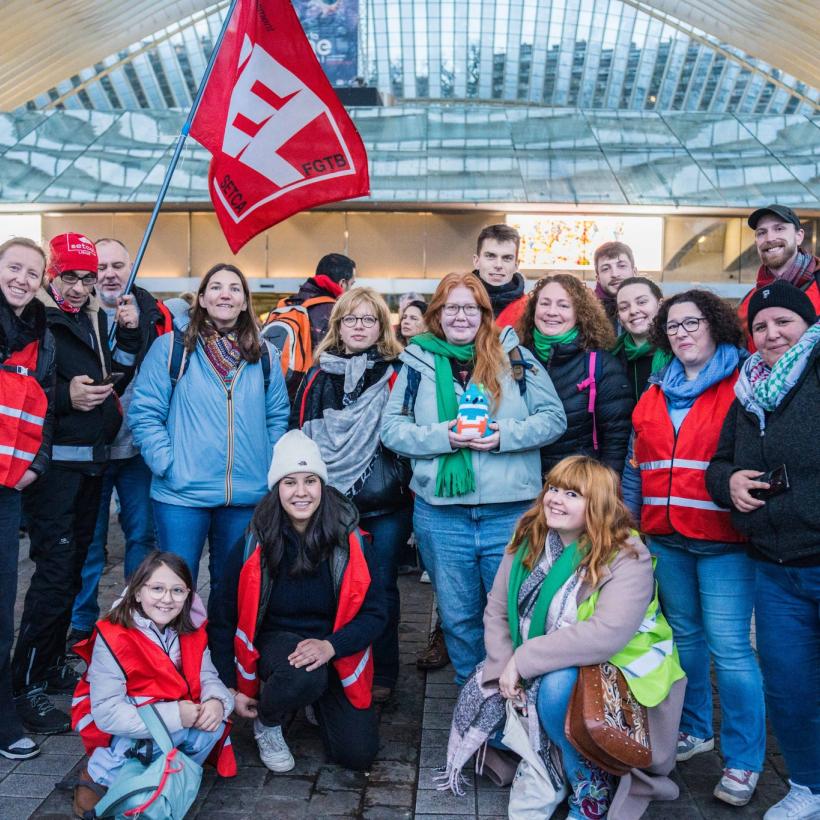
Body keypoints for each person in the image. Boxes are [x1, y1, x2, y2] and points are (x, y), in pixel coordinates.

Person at [443, 456, 685, 818]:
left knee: (557, 689)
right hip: (551, 660)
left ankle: (588, 786)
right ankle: (554, 759)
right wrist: (504, 664)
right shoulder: (529, 537)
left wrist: (523, 661)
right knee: (491, 700)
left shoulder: (626, 554)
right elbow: (496, 610)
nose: (555, 499)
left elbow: (606, 635)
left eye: (572, 494)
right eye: (553, 489)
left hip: (621, 673)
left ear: (598, 504)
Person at [381, 271, 566, 683]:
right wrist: (443, 437)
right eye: (451, 308)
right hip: (442, 517)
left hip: (509, 513)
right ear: (437, 314)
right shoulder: (417, 361)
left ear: (484, 313)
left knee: (513, 614)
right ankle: (473, 696)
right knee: (459, 619)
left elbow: (554, 418)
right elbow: (391, 430)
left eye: (469, 307)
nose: (460, 316)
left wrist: (503, 436)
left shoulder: (514, 355)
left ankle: (514, 697)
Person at [621, 289, 766, 807]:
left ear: (716, 325)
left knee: (730, 649)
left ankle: (745, 759)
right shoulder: (656, 389)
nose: (682, 333)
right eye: (673, 326)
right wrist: (629, 524)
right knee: (683, 639)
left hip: (725, 541)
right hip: (666, 537)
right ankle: (695, 727)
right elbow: (636, 466)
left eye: (692, 322)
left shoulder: (746, 381)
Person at [12, 233, 140, 736]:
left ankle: (45, 664)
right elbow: (23, 386)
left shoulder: (88, 316)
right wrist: (66, 396)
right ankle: (25, 683)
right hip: (56, 470)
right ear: (53, 275)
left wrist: (127, 336)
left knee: (69, 572)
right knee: (54, 573)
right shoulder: (38, 319)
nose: (81, 286)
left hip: (88, 464)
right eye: (71, 276)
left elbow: (112, 373)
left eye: (87, 278)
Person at [706, 281, 820, 820]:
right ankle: (808, 786)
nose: (772, 334)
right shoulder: (750, 390)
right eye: (760, 326)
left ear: (807, 325)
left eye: (783, 322)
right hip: (774, 567)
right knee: (790, 687)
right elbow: (719, 463)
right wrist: (727, 482)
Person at [209, 431, 386, 773]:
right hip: (275, 642)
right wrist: (229, 686)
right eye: (290, 482)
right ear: (277, 488)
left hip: (332, 644)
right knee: (304, 675)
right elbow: (222, 615)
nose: (301, 492)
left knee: (357, 754)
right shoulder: (255, 542)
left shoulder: (351, 541)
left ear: (322, 485)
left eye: (310, 481)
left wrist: (331, 646)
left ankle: (310, 698)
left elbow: (377, 612)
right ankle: (268, 721)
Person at [129, 263, 289, 601]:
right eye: (216, 287)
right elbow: (145, 414)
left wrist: (267, 464)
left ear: (244, 302)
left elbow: (277, 417)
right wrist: (168, 464)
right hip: (181, 495)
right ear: (202, 298)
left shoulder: (265, 355)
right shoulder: (172, 349)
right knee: (176, 588)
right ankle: (180, 639)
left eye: (234, 288)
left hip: (245, 494)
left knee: (232, 590)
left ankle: (221, 640)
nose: (225, 295)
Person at [290, 287, 411, 702]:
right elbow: (299, 432)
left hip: (385, 501)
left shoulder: (399, 372)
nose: (359, 327)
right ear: (338, 326)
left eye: (368, 319)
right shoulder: (316, 375)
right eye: (351, 319)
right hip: (328, 501)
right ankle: (331, 667)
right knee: (328, 586)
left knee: (383, 587)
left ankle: (384, 673)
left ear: (381, 327)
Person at [70, 551, 235, 818]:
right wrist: (176, 715)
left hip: (170, 712)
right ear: (137, 592)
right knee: (168, 720)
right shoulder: (113, 635)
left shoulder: (189, 627)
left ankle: (167, 772)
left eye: (177, 590)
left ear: (188, 594)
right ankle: (102, 772)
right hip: (126, 720)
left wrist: (217, 701)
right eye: (157, 589)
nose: (167, 599)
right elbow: (107, 712)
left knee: (213, 724)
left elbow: (206, 675)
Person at [70, 238, 173, 644]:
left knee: (142, 537)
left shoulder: (156, 313)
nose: (109, 274)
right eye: (101, 267)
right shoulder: (75, 312)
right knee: (89, 542)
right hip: (89, 449)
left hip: (138, 449)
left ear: (132, 267)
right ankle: (81, 624)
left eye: (118, 265)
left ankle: (136, 619)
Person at [0, 238, 55, 760]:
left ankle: (2, 717)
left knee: (1, 613)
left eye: (31, 272)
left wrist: (34, 466)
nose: (21, 279)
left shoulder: (42, 335)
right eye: (13, 268)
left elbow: (47, 408)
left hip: (6, 491)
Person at [517, 273, 632, 475]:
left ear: (579, 313)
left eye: (563, 305)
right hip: (523, 483)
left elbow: (616, 440)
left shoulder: (601, 365)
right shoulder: (516, 359)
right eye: (545, 303)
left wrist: (607, 487)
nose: (552, 312)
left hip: (576, 485)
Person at [737, 205, 820, 346]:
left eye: (779, 229)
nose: (769, 238)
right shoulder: (748, 303)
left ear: (799, 236)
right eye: (761, 232)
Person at [613, 276, 671, 402]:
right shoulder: (611, 357)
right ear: (619, 318)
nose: (633, 311)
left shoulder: (679, 352)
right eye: (624, 307)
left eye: (642, 302)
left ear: (660, 305)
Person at [283, 253, 356, 349]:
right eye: (351, 284)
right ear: (342, 283)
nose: (350, 289)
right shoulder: (334, 312)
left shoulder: (288, 303)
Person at [471, 224, 528, 327]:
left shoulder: (530, 310)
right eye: (490, 256)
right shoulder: (454, 304)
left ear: (516, 265)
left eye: (507, 258)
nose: (498, 265)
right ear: (476, 261)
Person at [593, 240, 637, 333]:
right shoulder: (586, 313)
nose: (615, 274)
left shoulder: (654, 309)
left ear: (634, 272)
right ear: (598, 278)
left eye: (622, 266)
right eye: (605, 269)